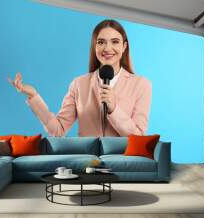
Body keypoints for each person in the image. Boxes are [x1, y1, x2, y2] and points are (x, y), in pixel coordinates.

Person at [8, 19, 152, 137]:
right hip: (88, 163)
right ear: (94, 46)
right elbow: (58, 130)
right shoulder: (79, 84)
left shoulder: (141, 85)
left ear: (124, 46)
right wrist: (34, 96)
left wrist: (114, 109)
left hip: (123, 164)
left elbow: (138, 137)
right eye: (101, 42)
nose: (107, 48)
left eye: (115, 42)